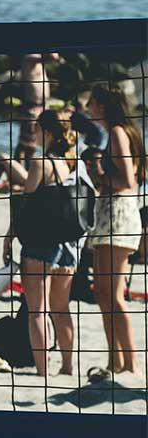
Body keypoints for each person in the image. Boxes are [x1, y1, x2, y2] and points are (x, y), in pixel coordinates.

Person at [0, 109, 85, 380]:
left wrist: (9, 236)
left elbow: (26, 205)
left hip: (40, 244)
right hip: (69, 245)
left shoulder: (40, 162)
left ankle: (43, 371)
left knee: (37, 309)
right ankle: (68, 367)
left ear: (46, 131)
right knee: (61, 309)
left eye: (36, 128)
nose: (33, 133)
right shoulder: (71, 162)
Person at [84, 84, 143, 381]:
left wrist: (98, 173)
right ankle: (115, 360)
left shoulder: (119, 133)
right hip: (110, 215)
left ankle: (131, 363)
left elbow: (127, 181)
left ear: (103, 106)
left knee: (114, 295)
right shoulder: (116, 133)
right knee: (103, 294)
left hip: (118, 214)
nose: (87, 108)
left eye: (91, 103)